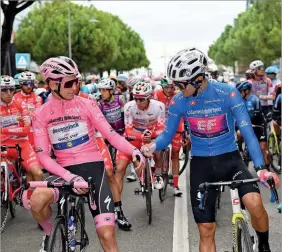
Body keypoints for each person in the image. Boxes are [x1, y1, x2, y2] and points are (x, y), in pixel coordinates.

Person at [141, 48, 279, 252]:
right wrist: (152, 145)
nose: (177, 88)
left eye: (180, 83)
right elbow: (167, 135)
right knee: (206, 229)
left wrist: (261, 169)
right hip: (201, 165)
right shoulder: (179, 101)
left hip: (230, 160)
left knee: (255, 203)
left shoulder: (228, 93)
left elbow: (248, 132)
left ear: (197, 79)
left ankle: (264, 245)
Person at [30, 57, 145, 252]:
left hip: (93, 169)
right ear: (51, 84)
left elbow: (110, 134)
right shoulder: (40, 114)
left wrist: (133, 150)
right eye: (68, 83)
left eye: (76, 81)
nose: (74, 87)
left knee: (107, 235)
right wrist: (70, 177)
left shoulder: (87, 104)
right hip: (63, 170)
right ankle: (50, 233)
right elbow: (43, 158)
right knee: (36, 200)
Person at [115, 82, 166, 210]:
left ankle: (158, 173)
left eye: (141, 99)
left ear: (149, 97)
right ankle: (117, 207)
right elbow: (128, 130)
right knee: (121, 166)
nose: (138, 101)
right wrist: (141, 137)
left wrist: (152, 134)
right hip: (135, 136)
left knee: (158, 151)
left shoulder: (159, 107)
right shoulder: (129, 107)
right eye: (135, 97)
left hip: (152, 134)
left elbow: (161, 128)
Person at [0, 75, 43, 183]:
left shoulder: (20, 104)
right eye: (4, 90)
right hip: (2, 145)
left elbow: (26, 130)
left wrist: (3, 130)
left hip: (21, 144)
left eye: (11, 89)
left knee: (38, 173)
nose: (9, 93)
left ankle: (32, 198)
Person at [153, 77, 184, 196]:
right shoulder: (156, 95)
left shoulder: (179, 96)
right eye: (167, 87)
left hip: (176, 125)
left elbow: (183, 113)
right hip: (161, 125)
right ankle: (158, 171)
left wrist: (184, 131)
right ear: (162, 87)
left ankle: (176, 185)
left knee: (175, 154)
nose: (170, 90)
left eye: (172, 87)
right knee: (157, 150)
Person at [236, 81, 270, 168]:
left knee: (263, 148)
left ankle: (267, 170)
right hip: (247, 124)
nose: (238, 93)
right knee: (238, 133)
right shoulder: (238, 101)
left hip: (259, 124)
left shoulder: (254, 99)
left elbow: (257, 114)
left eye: (240, 91)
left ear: (246, 91)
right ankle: (241, 149)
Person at [14, 71, 43, 148]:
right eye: (26, 83)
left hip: (33, 133)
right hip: (18, 133)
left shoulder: (37, 98)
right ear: (20, 84)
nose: (29, 86)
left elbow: (37, 116)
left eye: (31, 83)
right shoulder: (14, 98)